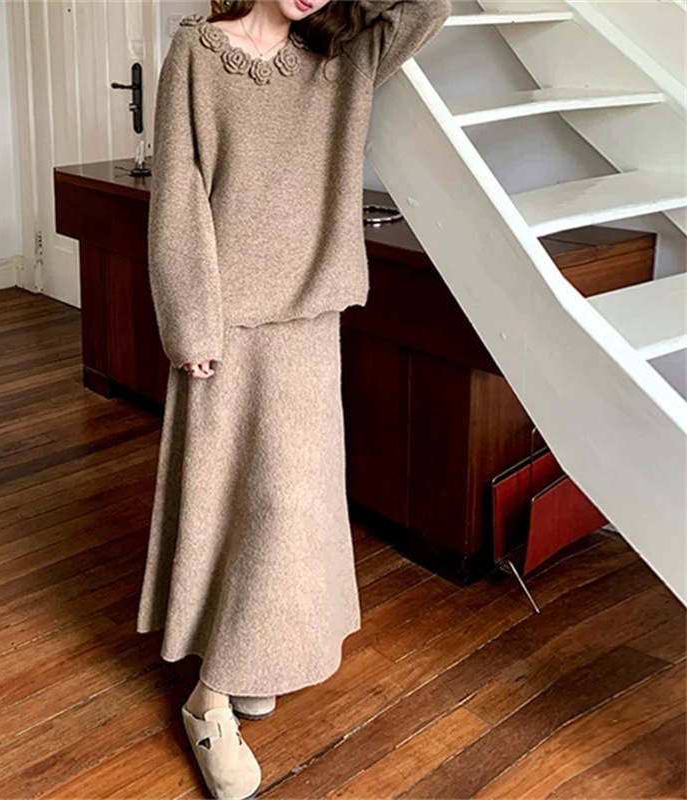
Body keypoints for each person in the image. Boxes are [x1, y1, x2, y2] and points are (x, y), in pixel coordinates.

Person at [136, 0, 452, 797]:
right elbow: (178, 191)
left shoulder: (345, 57)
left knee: (288, 506)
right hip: (227, 322)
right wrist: (190, 321)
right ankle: (211, 701)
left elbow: (431, 7)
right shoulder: (198, 53)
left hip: (310, 319)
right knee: (228, 503)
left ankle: (238, 667)